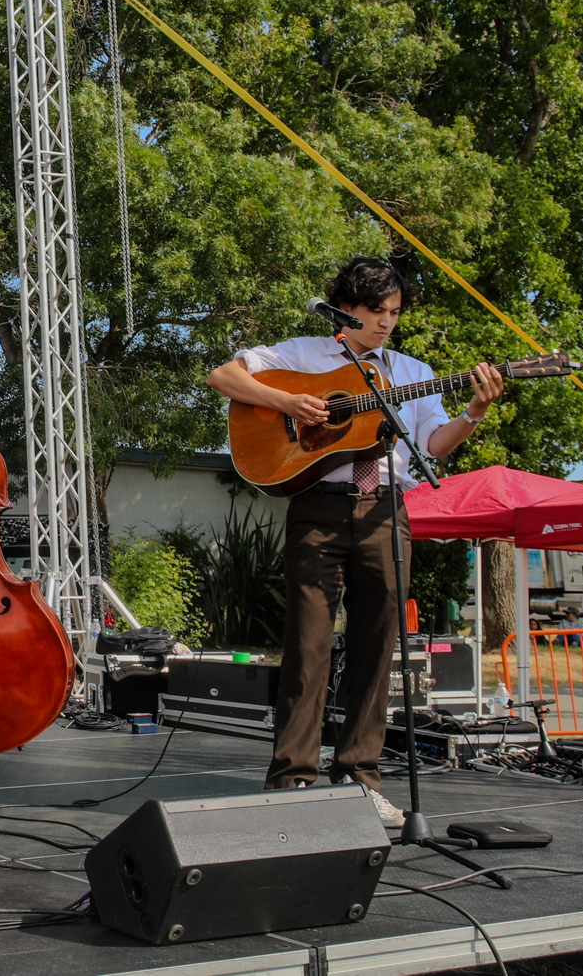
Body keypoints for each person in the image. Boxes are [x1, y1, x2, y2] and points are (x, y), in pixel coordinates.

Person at [207, 257, 501, 827]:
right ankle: (292, 778)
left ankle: (362, 778)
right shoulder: (302, 355)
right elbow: (224, 377)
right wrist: (289, 403)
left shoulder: (411, 371)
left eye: (394, 312)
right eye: (375, 312)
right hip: (317, 507)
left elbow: (434, 447)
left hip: (386, 513)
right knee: (309, 645)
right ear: (346, 310)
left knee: (377, 648)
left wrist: (475, 410)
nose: (386, 323)